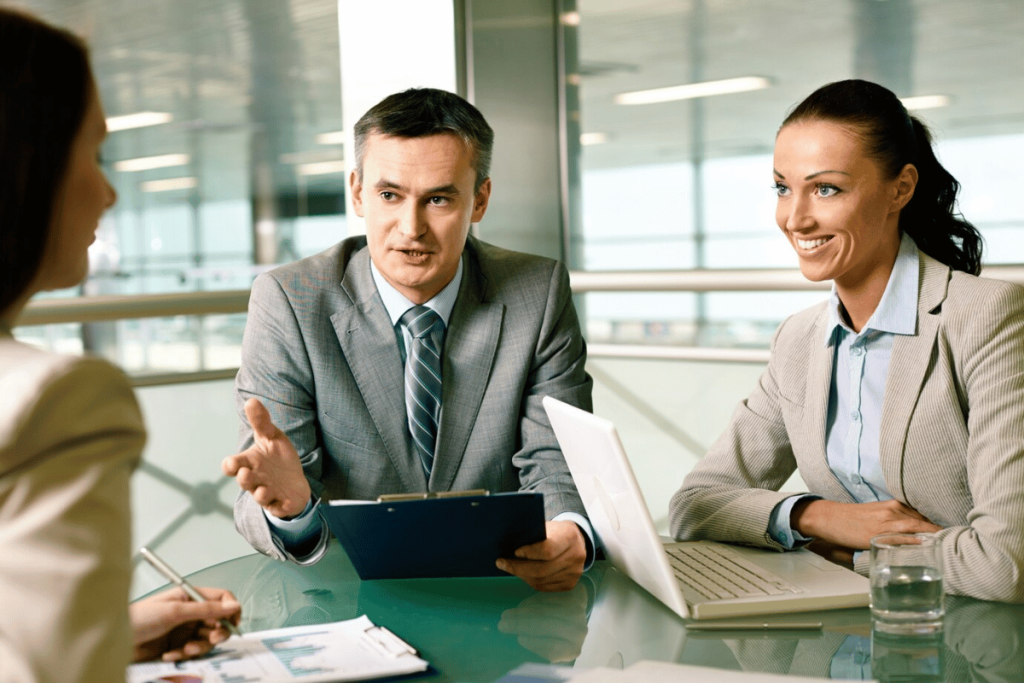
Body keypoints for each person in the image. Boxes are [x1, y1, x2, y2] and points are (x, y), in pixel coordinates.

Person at [223, 88, 594, 592]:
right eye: (389, 195)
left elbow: (556, 460)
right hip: (349, 594)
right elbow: (266, 487)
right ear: (357, 193)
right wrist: (296, 511)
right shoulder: (290, 300)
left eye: (438, 198)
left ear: (480, 200)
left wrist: (570, 531)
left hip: (504, 590)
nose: (411, 228)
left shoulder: (538, 292)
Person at [669, 79, 1024, 602]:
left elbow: (1004, 566)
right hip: (849, 640)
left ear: (900, 189)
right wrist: (819, 517)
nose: (796, 218)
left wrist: (857, 556)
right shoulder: (800, 340)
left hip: (972, 645)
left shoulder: (986, 318)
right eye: (783, 188)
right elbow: (694, 505)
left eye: (826, 188)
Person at [0, 9, 241, 682]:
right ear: (28, 162)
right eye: (94, 151)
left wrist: (106, 632)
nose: (106, 192)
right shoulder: (58, 401)